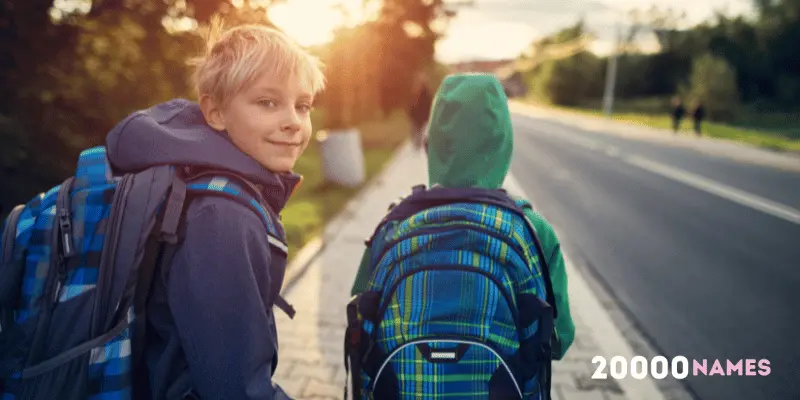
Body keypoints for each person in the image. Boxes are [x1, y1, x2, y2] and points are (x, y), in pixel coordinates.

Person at [120, 23, 325, 399]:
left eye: (303, 105)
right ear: (214, 112)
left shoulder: (213, 190)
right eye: (268, 102)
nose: (293, 121)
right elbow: (236, 388)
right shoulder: (221, 216)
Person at [347, 74, 574, 398]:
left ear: (432, 146)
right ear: (503, 146)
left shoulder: (392, 228)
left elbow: (361, 328)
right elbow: (558, 340)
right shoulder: (533, 231)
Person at [407, 72, 434, 150]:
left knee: (419, 129)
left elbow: (427, 103)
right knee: (418, 129)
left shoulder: (421, 91)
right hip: (419, 115)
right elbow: (413, 103)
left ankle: (418, 143)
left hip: (421, 115)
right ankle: (418, 142)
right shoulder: (418, 91)